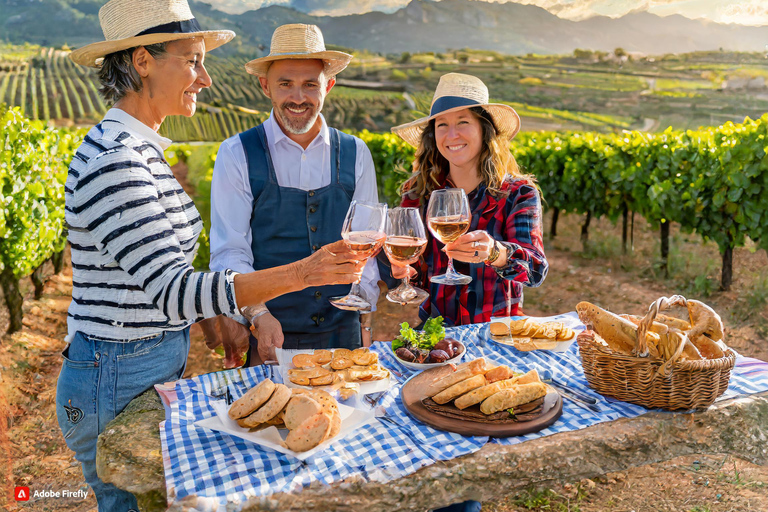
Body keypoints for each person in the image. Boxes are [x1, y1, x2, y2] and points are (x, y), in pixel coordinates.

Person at [58, 3, 365, 511]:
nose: (204, 78)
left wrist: (216, 320)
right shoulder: (116, 161)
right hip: (114, 374)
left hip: (141, 362)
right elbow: (173, 290)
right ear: (142, 61)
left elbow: (161, 271)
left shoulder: (139, 149)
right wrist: (303, 273)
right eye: (193, 60)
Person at [209, 24, 381, 364]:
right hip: (270, 333)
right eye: (285, 84)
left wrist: (365, 312)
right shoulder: (236, 153)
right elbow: (229, 250)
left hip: (343, 332)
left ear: (328, 86)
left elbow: (368, 246)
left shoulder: (356, 152)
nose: (298, 97)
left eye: (310, 85)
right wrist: (258, 315)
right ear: (266, 86)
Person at [389, 73, 548, 326]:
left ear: (484, 131)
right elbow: (414, 271)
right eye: (442, 125)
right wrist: (402, 270)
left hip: (497, 335)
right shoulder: (417, 193)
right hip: (436, 334)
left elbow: (536, 270)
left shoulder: (519, 193)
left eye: (462, 122)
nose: (451, 135)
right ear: (433, 135)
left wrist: (496, 252)